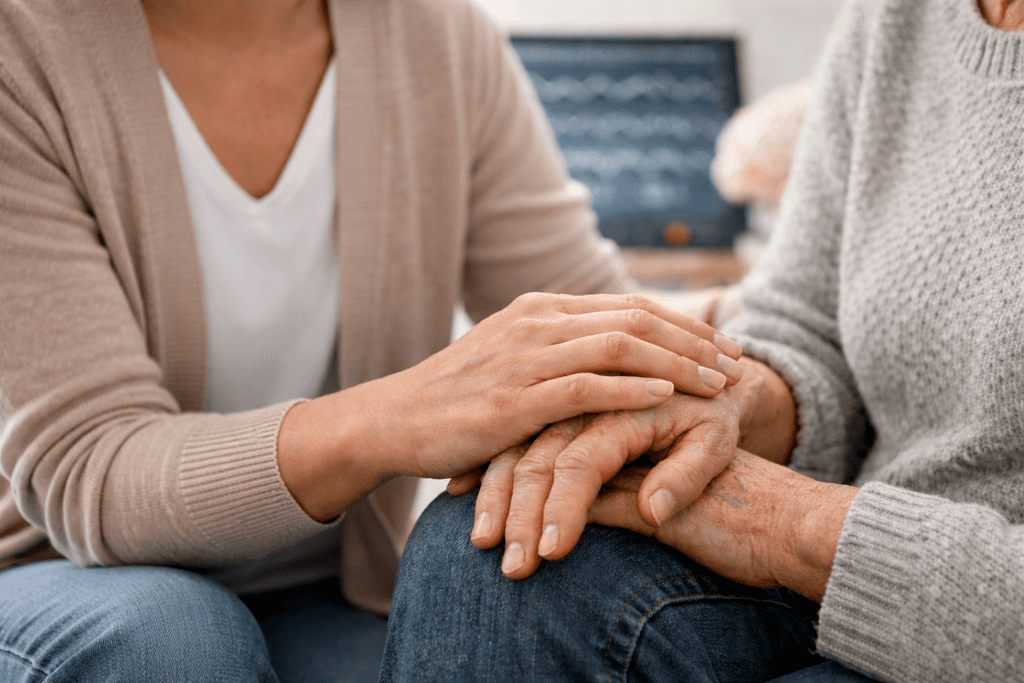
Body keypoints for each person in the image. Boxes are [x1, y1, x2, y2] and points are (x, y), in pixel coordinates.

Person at [0, 0, 747, 680]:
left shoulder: (437, 38)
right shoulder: (22, 50)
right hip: (55, 565)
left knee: (479, 632)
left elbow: (580, 313)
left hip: (326, 584)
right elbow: (91, 467)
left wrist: (768, 315)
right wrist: (408, 414)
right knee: (176, 643)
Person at [382, 0, 1024, 680]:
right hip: (848, 572)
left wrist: (796, 528)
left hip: (966, 610)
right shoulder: (897, 19)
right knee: (492, 539)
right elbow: (803, 321)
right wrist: (724, 399)